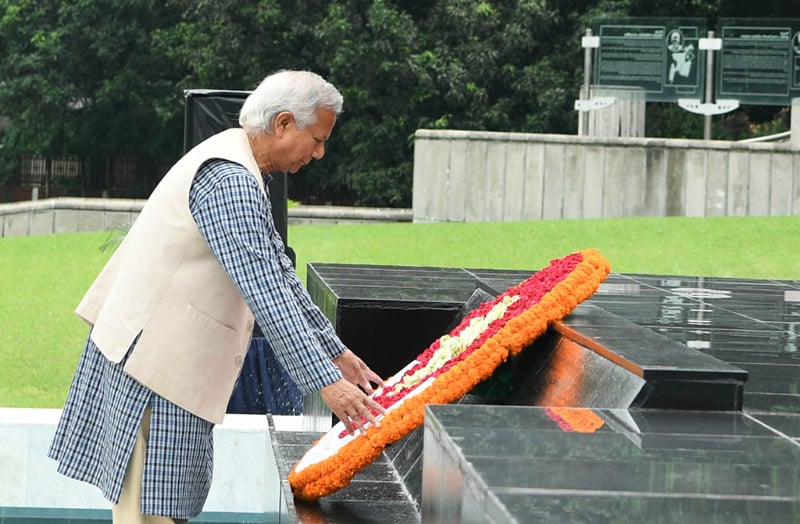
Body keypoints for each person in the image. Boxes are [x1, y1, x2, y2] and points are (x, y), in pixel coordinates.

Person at [48, 70, 385, 523]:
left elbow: (277, 272)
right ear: (283, 123)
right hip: (154, 368)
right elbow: (264, 290)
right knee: (150, 515)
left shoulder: (241, 163)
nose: (320, 153)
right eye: (317, 138)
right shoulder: (230, 180)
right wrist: (327, 383)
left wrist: (336, 351)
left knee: (162, 510)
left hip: (163, 364)